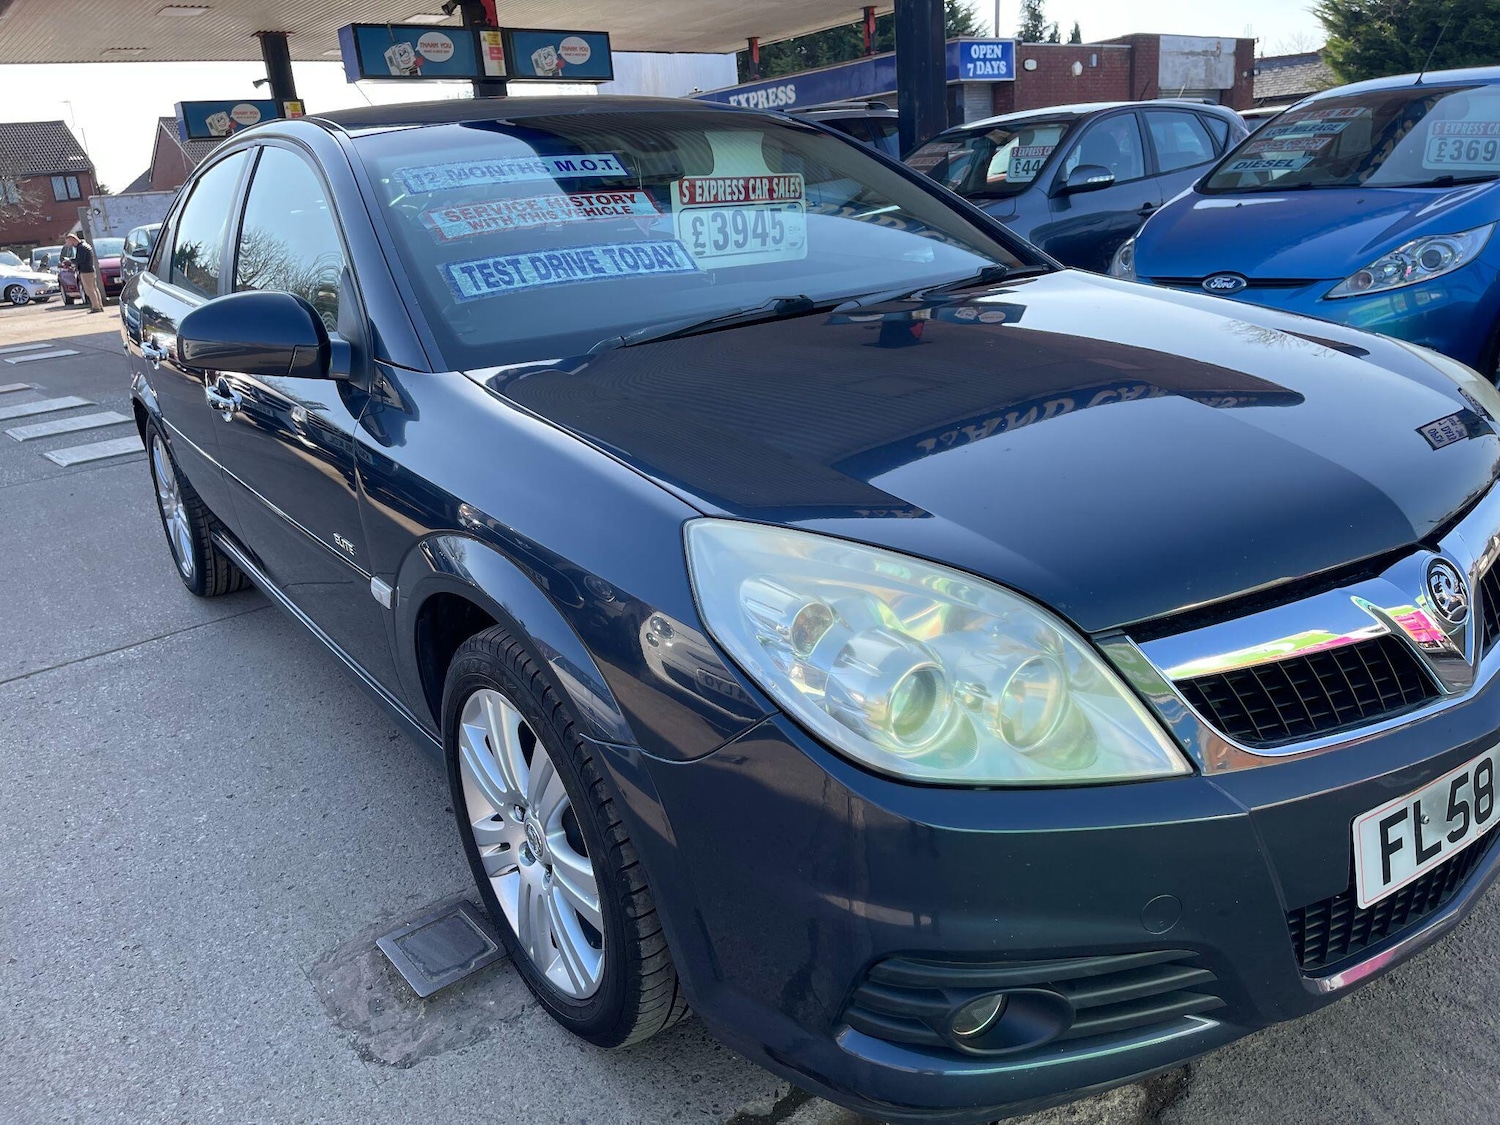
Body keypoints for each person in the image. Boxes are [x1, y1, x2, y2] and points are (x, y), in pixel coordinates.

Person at [65, 233, 103, 313]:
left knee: (90, 290)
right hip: (90, 270)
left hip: (86, 271)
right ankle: (99, 305)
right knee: (94, 289)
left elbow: (81, 260)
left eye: (68, 242)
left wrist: (71, 261)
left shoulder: (81, 248)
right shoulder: (85, 245)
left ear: (72, 240)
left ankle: (96, 307)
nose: (68, 244)